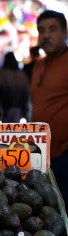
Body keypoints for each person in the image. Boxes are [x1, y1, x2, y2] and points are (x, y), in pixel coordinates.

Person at [30, 10, 68, 208]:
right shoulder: (39, 65)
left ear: (65, 32)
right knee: (50, 210)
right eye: (41, 30)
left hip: (65, 154)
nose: (46, 35)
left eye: (52, 29)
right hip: (42, 154)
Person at [0, 51, 31, 123]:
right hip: (19, 109)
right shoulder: (22, 75)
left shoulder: (2, 74)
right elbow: (27, 93)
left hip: (5, 109)